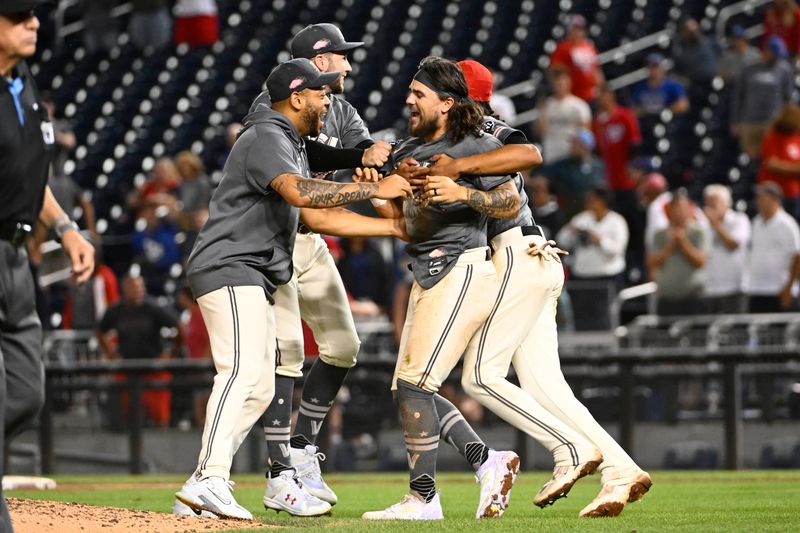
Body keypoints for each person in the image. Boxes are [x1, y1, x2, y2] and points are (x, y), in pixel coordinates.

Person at [173, 58, 412, 520]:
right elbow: (302, 194)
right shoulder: (266, 134)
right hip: (230, 265)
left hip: (253, 271)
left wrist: (395, 230)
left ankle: (202, 486)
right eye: (321, 93)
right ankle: (210, 478)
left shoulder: (291, 143)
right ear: (297, 98)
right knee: (241, 371)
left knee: (260, 387)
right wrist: (375, 187)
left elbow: (317, 217)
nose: (329, 100)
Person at [423, 59, 650, 518]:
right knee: (548, 387)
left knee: (480, 377)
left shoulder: (475, 132)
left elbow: (528, 156)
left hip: (515, 254)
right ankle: (621, 470)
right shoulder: (481, 131)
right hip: (535, 252)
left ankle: (569, 450)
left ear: (456, 95)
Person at [361, 56, 527, 520]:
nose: (409, 100)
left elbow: (509, 199)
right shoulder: (409, 148)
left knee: (414, 384)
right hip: (426, 269)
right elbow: (408, 228)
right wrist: (379, 195)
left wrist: (464, 192)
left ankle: (423, 497)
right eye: (410, 92)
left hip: (464, 268)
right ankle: (487, 461)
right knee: (411, 388)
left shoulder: (472, 144)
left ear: (448, 103)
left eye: (420, 94)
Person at [249, 23, 395, 513]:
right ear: (317, 61)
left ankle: (303, 448)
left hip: (313, 242)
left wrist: (375, 162)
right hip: (276, 239)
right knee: (287, 352)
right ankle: (278, 471)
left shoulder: (344, 110)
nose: (349, 64)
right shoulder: (271, 104)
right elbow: (307, 152)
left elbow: (366, 159)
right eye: (340, 56)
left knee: (343, 346)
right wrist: (360, 157)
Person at [0, 3, 95, 531]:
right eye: (16, 15)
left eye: (33, 14)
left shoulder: (23, 82)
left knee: (26, 392)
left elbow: (31, 178)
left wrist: (66, 229)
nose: (32, 23)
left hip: (16, 258)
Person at [96, 275, 181, 428]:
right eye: (133, 288)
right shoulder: (117, 310)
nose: (137, 291)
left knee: (159, 415)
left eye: (139, 288)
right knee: (128, 415)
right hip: (127, 368)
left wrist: (171, 353)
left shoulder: (153, 307)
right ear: (125, 290)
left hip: (153, 368)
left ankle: (164, 442)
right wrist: (110, 353)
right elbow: (100, 331)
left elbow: (179, 326)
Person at [557, 186, 629, 330]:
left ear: (602, 201)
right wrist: (572, 231)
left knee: (605, 317)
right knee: (582, 317)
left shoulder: (617, 221)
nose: (588, 203)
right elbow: (561, 240)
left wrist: (598, 240)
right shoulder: (582, 219)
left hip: (607, 277)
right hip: (582, 277)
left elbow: (617, 250)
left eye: (592, 200)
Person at [647, 191, 710, 315]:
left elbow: (701, 262)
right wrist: (669, 245)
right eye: (675, 208)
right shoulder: (660, 235)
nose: (679, 212)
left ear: (689, 209)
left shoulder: (698, 233)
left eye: (682, 208)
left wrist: (683, 243)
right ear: (669, 211)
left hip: (693, 298)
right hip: (666, 299)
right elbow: (652, 262)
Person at [731, 36, 793, 160]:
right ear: (766, 51)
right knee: (750, 159)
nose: (776, 57)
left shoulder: (784, 69)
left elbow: (788, 98)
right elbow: (739, 95)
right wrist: (735, 121)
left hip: (772, 121)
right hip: (750, 121)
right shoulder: (749, 68)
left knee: (770, 159)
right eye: (774, 53)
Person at [744, 181, 800, 313]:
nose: (757, 201)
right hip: (756, 289)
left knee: (779, 332)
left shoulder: (787, 225)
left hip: (778, 290)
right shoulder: (756, 223)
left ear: (774, 199)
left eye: (762, 197)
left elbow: (797, 256)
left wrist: (788, 288)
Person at [593, 84, 642, 228]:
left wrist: (634, 167)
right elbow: (598, 149)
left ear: (611, 96)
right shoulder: (598, 121)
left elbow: (635, 143)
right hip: (610, 177)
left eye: (603, 96)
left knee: (632, 215)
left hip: (626, 175)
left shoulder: (625, 115)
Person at [702, 185, 751, 314]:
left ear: (726, 203)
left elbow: (733, 245)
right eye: (708, 203)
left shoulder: (739, 219)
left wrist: (716, 224)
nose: (710, 208)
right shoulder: (702, 223)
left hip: (734, 288)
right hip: (709, 288)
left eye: (714, 203)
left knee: (736, 331)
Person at [536, 69, 592, 164]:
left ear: (569, 83)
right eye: (558, 83)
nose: (561, 86)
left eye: (564, 82)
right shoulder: (547, 105)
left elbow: (585, 132)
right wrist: (541, 111)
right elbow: (540, 131)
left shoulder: (579, 105)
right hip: (552, 153)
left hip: (571, 154)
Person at [757, 103, 800, 220]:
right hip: (774, 192)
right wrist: (794, 168)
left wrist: (786, 167)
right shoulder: (772, 137)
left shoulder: (797, 137)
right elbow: (771, 163)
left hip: (793, 192)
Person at [548, 14, 603, 102]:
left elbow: (596, 69)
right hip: (574, 96)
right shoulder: (563, 48)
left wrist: (601, 87)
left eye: (581, 29)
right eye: (576, 28)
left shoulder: (589, 46)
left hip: (593, 93)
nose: (579, 32)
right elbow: (555, 70)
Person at [672, 18, 718, 89]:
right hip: (694, 87)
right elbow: (677, 72)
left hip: (715, 83)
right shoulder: (681, 52)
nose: (694, 33)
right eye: (691, 32)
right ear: (684, 33)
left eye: (696, 30)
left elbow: (723, 56)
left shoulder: (710, 43)